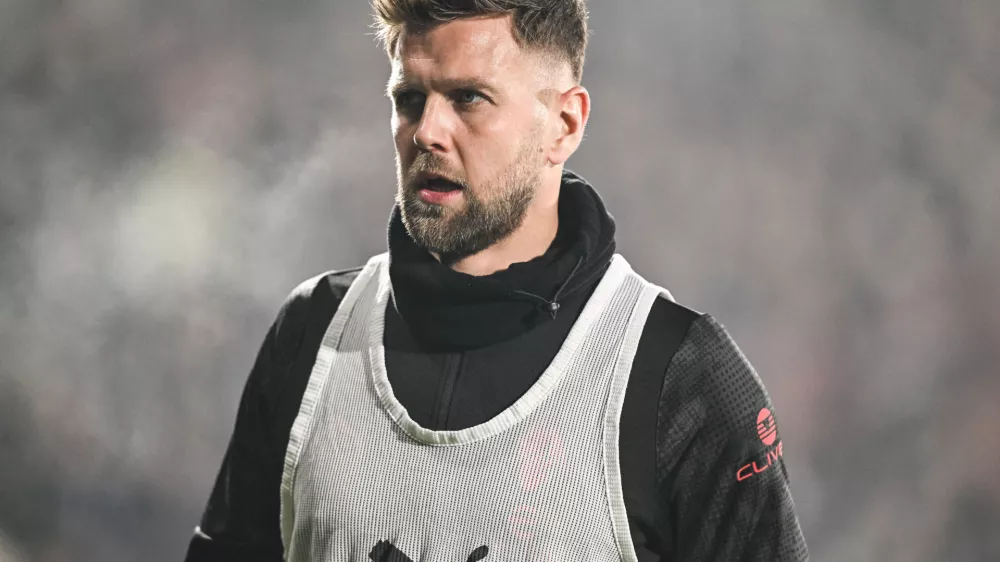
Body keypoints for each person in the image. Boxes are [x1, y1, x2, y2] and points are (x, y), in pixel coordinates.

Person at [184, 1, 810, 560]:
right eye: (410, 99)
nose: (427, 130)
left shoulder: (682, 376)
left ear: (564, 125)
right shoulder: (311, 336)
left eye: (468, 99)